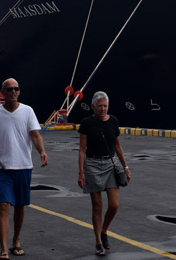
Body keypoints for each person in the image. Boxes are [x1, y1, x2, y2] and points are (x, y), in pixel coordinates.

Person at [0, 78, 48, 259]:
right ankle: (3, 249)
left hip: (23, 166)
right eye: (9, 90)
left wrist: (42, 152)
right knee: (4, 206)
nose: (13, 92)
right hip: (1, 169)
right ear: (2, 93)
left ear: (19, 91)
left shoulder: (27, 111)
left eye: (16, 89)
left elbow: (35, 135)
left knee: (20, 206)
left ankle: (16, 241)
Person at [77, 91, 131, 257]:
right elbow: (82, 149)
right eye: (99, 106)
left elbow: (118, 146)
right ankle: (98, 242)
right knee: (97, 205)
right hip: (92, 164)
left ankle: (104, 230)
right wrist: (81, 172)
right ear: (93, 106)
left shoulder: (113, 121)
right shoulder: (86, 123)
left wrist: (126, 167)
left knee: (114, 205)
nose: (102, 109)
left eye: (105, 106)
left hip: (110, 164)